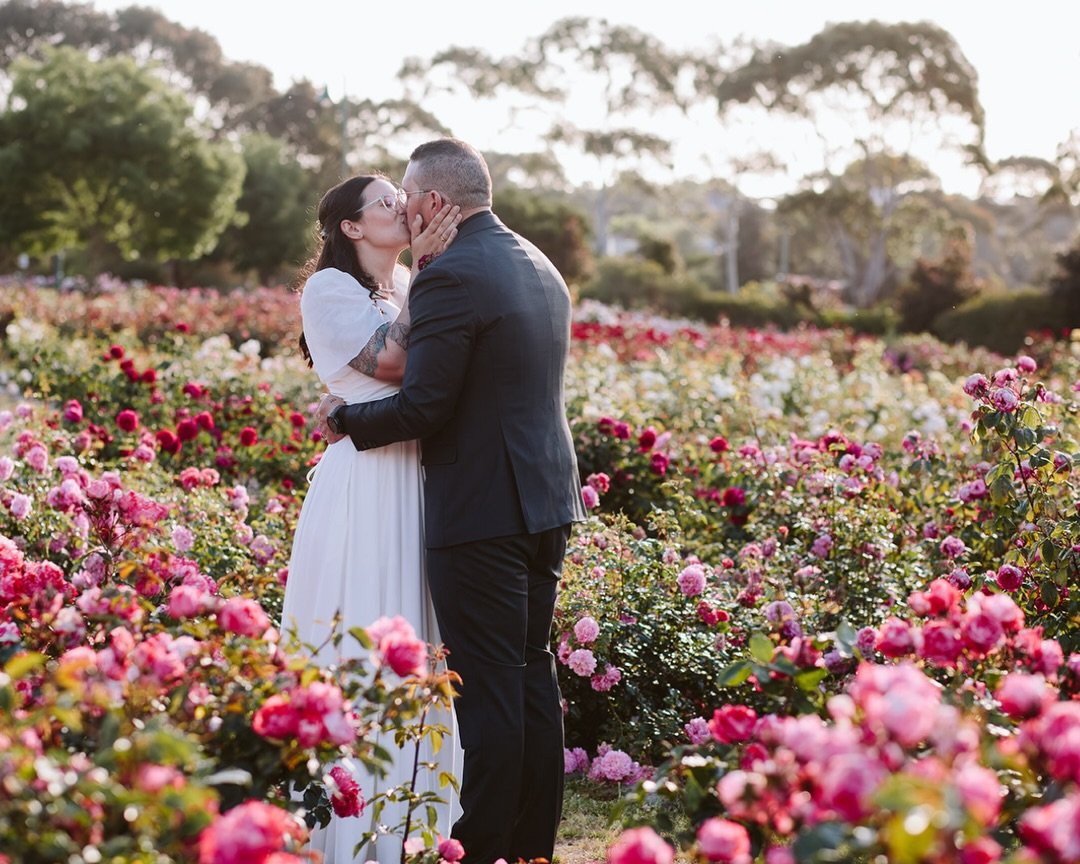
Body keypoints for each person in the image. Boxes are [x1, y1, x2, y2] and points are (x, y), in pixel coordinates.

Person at [317, 138, 586, 864]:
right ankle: (530, 847)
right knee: (532, 676)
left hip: (482, 510)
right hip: (546, 499)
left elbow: (424, 407)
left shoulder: (450, 276)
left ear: (434, 202)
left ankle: (486, 846)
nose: (403, 210)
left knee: (492, 691)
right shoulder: (539, 263)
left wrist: (343, 420)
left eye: (406, 197)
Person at [281, 172, 463, 862]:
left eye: (399, 196)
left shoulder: (410, 288)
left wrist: (428, 278)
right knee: (363, 634)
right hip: (363, 483)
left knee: (418, 639)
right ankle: (346, 829)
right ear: (352, 228)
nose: (402, 206)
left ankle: (415, 820)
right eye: (385, 201)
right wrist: (435, 268)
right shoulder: (328, 290)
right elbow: (393, 362)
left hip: (415, 476)